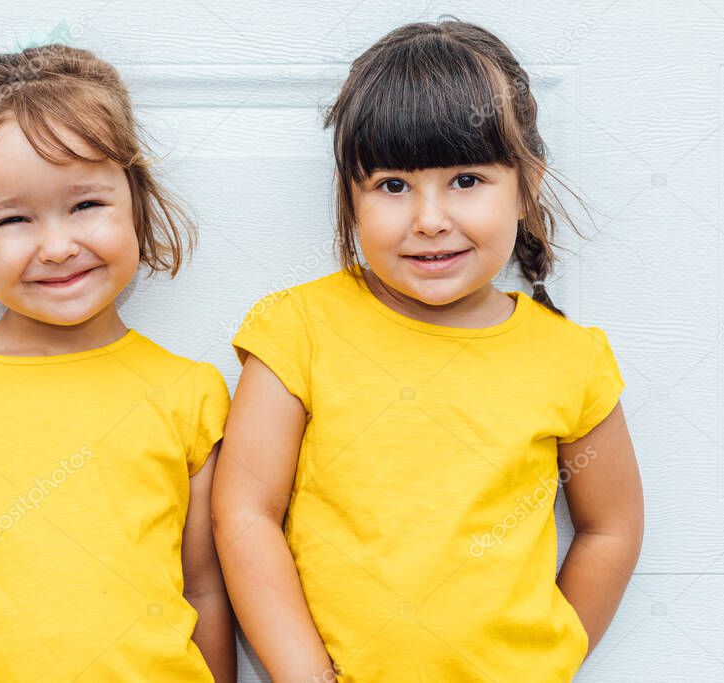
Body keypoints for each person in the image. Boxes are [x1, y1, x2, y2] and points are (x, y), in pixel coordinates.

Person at [212, 19, 643, 682]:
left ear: (526, 184)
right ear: (350, 198)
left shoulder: (569, 358)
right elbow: (245, 512)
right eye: (392, 185)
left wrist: (550, 658)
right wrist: (301, 670)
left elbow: (611, 526)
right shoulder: (297, 330)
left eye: (466, 180)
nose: (430, 218)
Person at [0, 43, 235, 682]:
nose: (57, 247)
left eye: (86, 205)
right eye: (14, 218)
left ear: (136, 201)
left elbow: (204, 587)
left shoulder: (186, 393)